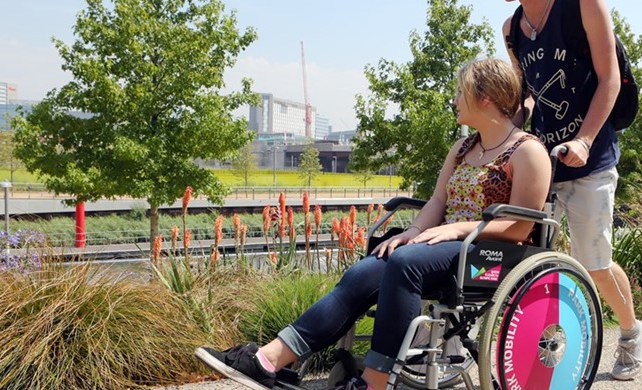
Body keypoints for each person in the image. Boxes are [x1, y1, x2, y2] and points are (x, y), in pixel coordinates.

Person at [194, 58, 551, 390]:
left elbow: (519, 227)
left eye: (461, 92)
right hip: (442, 245)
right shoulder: (462, 148)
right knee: (365, 271)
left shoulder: (527, 152)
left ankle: (375, 382)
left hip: (489, 254)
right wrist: (412, 231)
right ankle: (268, 360)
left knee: (404, 263)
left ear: (484, 97)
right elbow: (438, 202)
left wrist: (459, 229)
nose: (455, 99)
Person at [503, 0, 641, 380]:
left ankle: (630, 333)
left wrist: (584, 139)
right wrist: (507, 138)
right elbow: (527, 95)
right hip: (544, 161)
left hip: (591, 157)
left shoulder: (583, 6)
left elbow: (609, 77)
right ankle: (531, 344)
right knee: (522, 256)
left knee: (593, 263)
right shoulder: (512, 29)